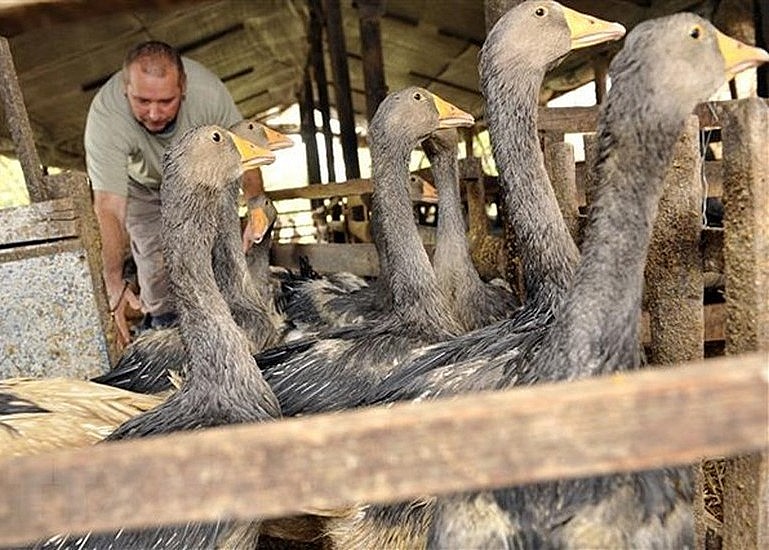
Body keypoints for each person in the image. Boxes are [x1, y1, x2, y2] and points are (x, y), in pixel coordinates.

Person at [85, 40, 264, 348]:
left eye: (166, 101)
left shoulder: (208, 93)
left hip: (199, 178)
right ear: (126, 90)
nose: (154, 113)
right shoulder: (106, 115)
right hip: (144, 188)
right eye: (142, 101)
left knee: (217, 248)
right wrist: (112, 281)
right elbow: (109, 207)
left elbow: (245, 151)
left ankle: (225, 326)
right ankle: (164, 331)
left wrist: (256, 206)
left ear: (183, 88)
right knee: (156, 266)